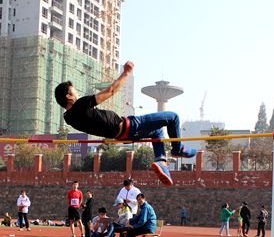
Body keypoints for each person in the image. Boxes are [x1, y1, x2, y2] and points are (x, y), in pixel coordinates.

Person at [55, 61, 196, 186]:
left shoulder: (69, 117)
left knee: (157, 132)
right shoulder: (80, 105)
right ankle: (177, 150)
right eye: (73, 90)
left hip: (123, 136)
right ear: (68, 96)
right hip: (131, 126)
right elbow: (111, 91)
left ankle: (162, 162)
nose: (77, 92)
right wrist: (126, 72)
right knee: (173, 117)